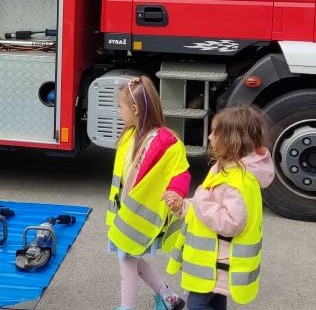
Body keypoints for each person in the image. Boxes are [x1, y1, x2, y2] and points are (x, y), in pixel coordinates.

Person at [168, 105, 275, 310]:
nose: (209, 137)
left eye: (215, 132)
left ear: (232, 140)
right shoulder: (223, 169)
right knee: (215, 301)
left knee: (196, 305)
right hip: (211, 260)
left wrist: (199, 199)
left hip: (217, 261)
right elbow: (207, 209)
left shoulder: (238, 180)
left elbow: (231, 223)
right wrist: (183, 206)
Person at [108, 76, 190, 310]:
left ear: (134, 109)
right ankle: (169, 298)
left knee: (126, 257)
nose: (118, 111)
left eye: (120, 107)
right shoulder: (130, 134)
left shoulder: (167, 141)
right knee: (130, 256)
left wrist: (175, 194)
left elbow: (180, 173)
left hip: (142, 216)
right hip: (128, 214)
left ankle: (127, 307)